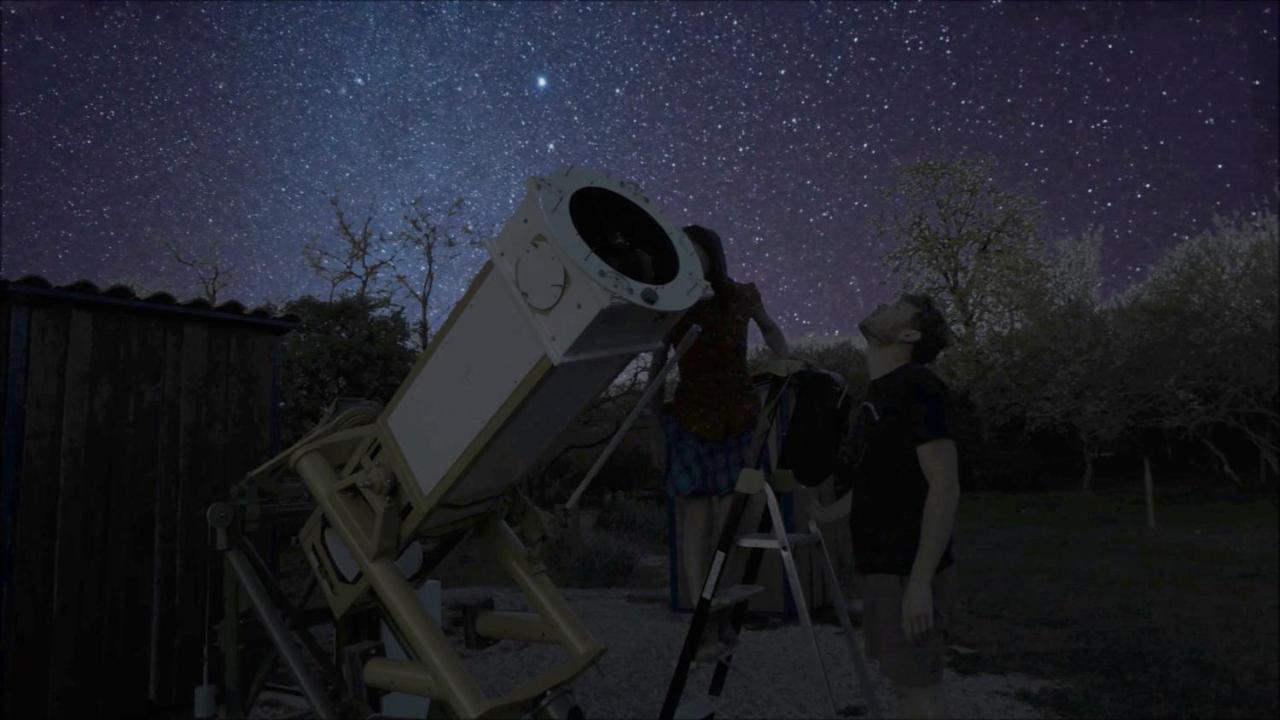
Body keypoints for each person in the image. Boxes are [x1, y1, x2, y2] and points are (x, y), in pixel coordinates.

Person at [646, 224, 790, 663]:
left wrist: (786, 371)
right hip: (689, 422)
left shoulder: (743, 295)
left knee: (732, 526)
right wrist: (655, 428)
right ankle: (703, 627)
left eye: (696, 253)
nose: (689, 260)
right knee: (695, 528)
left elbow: (771, 331)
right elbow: (656, 365)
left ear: (712, 255)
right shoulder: (673, 301)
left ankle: (722, 614)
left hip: (739, 419)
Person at [832, 294, 959, 719]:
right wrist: (826, 515)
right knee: (905, 690)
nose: (882, 305)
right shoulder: (881, 392)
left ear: (908, 334)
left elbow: (944, 487)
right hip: (882, 567)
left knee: (919, 691)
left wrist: (920, 584)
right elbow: (878, 480)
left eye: (896, 307)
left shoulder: (920, 387)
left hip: (907, 569)